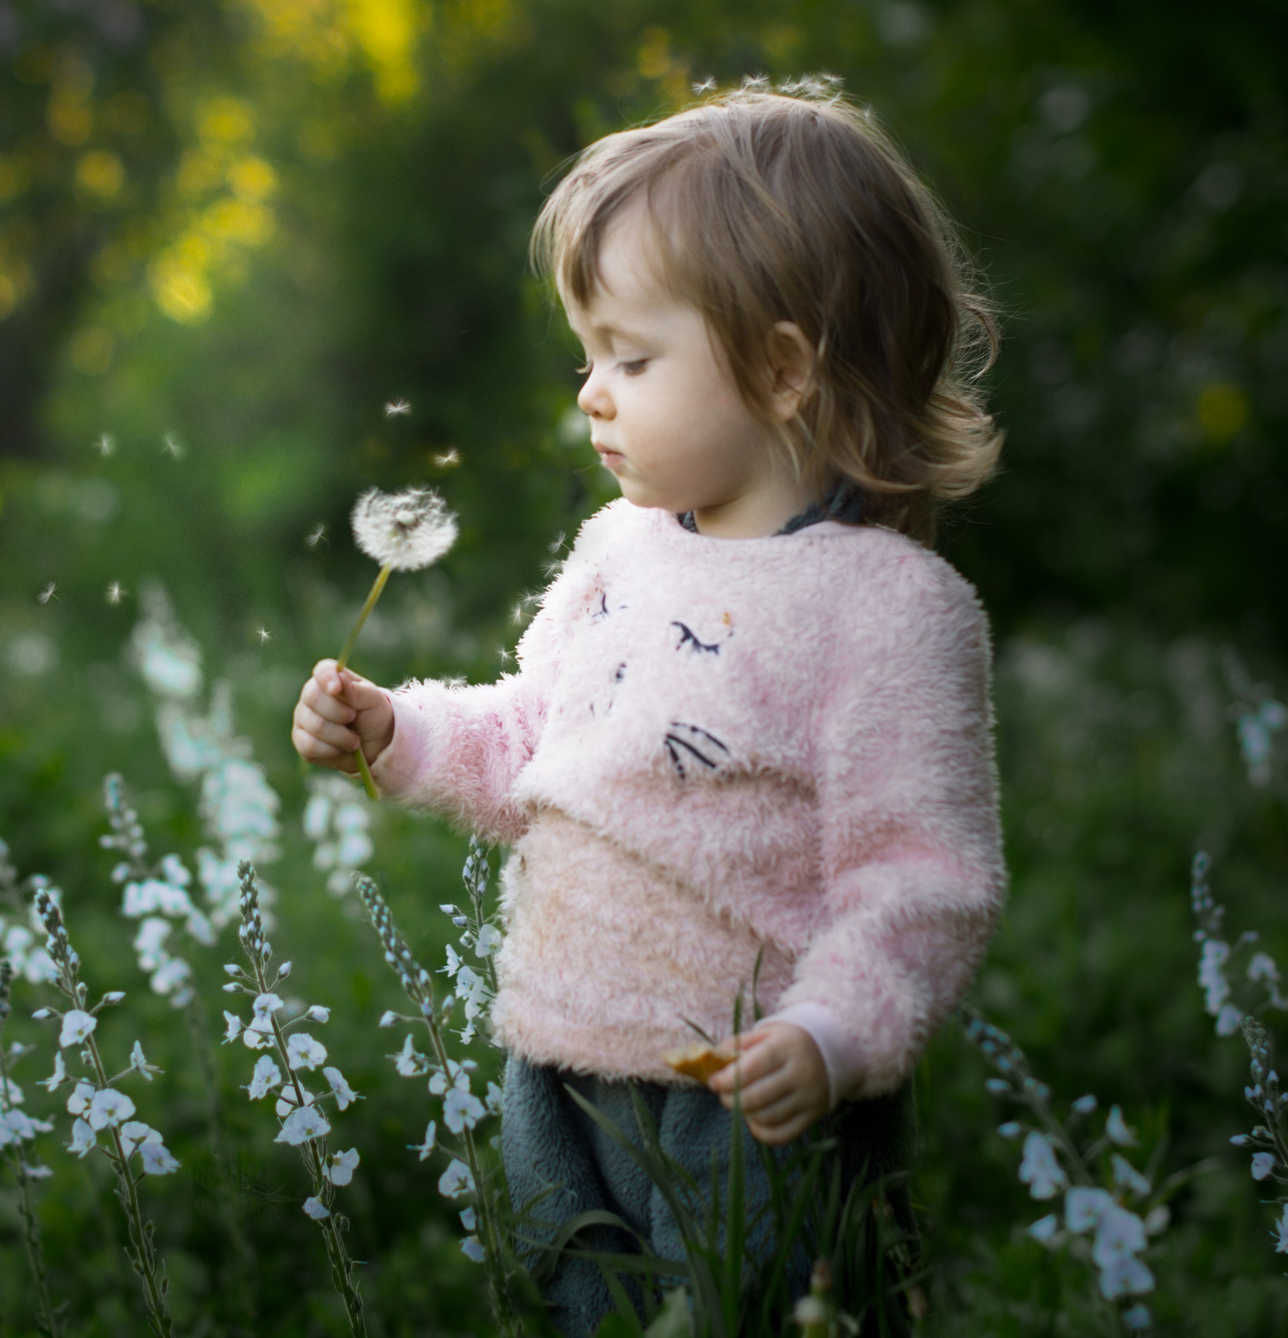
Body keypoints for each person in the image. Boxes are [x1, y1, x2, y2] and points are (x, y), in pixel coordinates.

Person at [292, 78, 1007, 1333]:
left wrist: (832, 1034)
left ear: (782, 368)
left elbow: (922, 879)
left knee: (755, 1314)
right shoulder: (622, 546)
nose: (591, 390)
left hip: (748, 1086)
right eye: (587, 356)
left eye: (631, 355)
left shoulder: (887, 608)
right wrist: (397, 733)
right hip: (558, 1060)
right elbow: (533, 736)